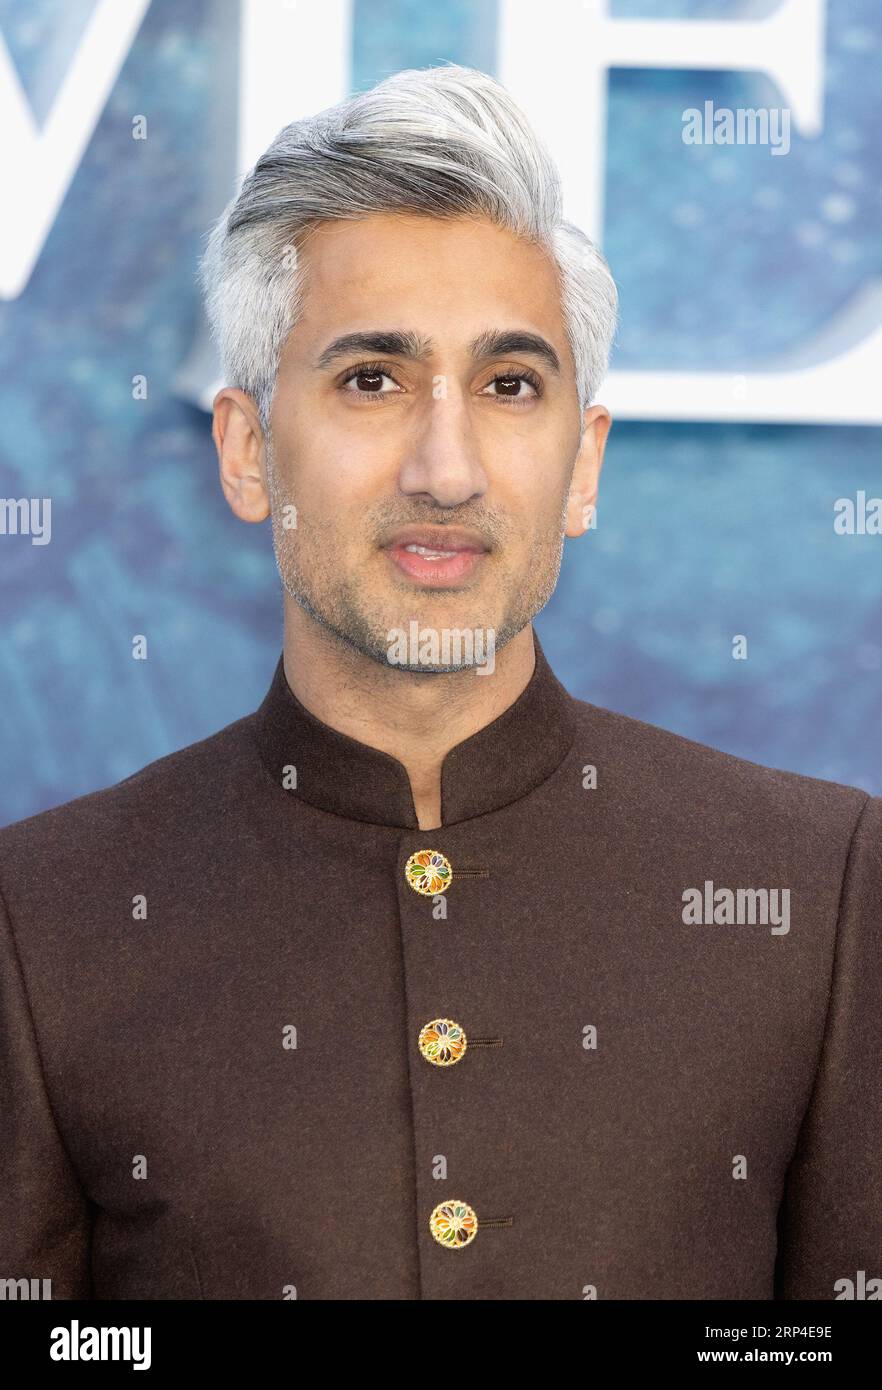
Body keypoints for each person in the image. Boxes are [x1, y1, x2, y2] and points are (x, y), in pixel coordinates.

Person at [0, 64, 879, 1301]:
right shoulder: (40, 922)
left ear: (584, 464)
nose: (448, 467)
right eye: (373, 379)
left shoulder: (822, 888)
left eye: (511, 385)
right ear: (250, 452)